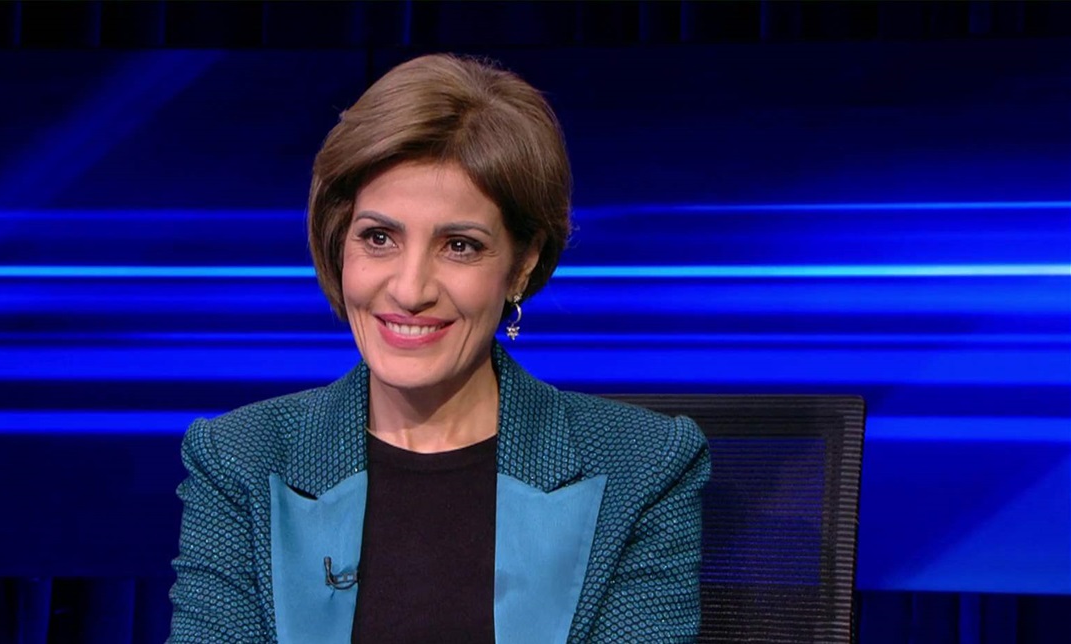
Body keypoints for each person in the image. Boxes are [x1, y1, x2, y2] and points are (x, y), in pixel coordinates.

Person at [168, 53, 710, 644]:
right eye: (379, 237)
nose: (410, 290)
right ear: (339, 242)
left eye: (459, 245)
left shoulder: (642, 469)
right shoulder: (241, 462)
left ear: (522, 264)